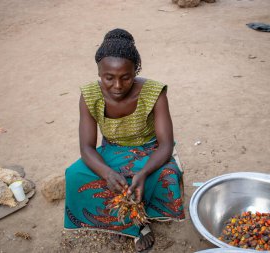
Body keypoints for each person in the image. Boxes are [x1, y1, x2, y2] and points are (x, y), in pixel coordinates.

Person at [64, 28, 185, 253]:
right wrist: (107, 172)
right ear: (99, 72)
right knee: (74, 175)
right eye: (109, 77)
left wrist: (144, 172)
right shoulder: (89, 95)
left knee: (167, 175)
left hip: (151, 151)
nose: (117, 86)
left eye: (126, 77)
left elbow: (166, 144)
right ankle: (132, 223)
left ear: (135, 71)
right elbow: (87, 147)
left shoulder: (154, 92)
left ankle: (141, 222)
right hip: (113, 150)